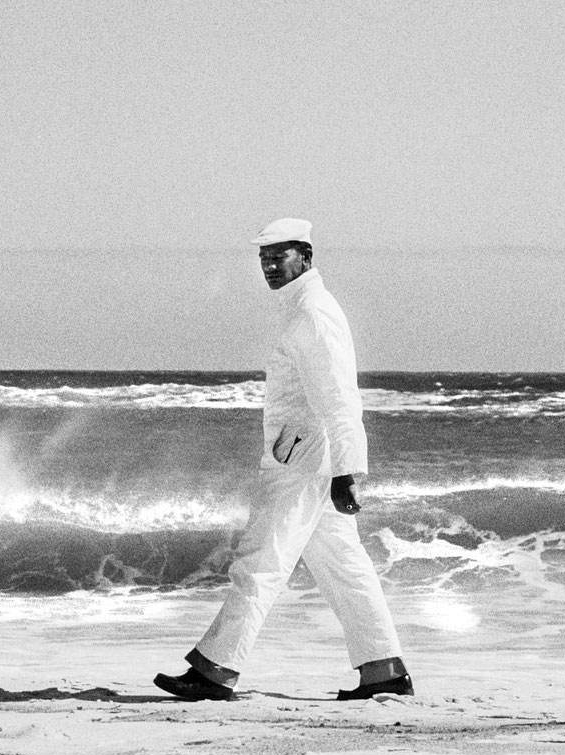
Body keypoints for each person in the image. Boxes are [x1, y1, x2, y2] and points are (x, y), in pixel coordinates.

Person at [154, 218, 412, 702]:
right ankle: (383, 670)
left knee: (260, 562)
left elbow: (339, 398)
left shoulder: (313, 313)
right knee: (344, 568)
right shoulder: (301, 309)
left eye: (280, 257)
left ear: (306, 259)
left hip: (304, 459)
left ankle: (215, 671)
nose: (270, 267)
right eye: (264, 259)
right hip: (300, 454)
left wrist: (347, 470)